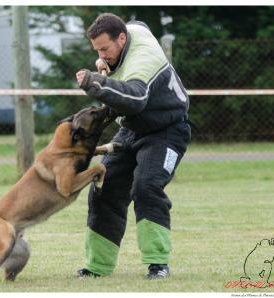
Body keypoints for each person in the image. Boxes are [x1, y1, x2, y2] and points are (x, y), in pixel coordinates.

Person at [75, 13, 191, 279]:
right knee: (103, 190)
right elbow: (140, 23)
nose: (102, 56)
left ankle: (158, 264)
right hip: (131, 130)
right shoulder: (129, 33)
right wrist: (107, 66)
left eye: (105, 49)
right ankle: (97, 267)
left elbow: (135, 99)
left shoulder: (144, 59)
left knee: (146, 187)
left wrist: (97, 81)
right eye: (97, 51)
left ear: (122, 38)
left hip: (167, 131)